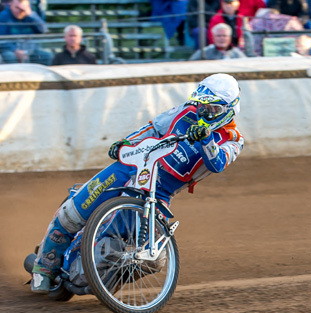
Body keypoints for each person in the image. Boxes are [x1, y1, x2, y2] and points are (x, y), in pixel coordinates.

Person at [30, 74, 244, 293]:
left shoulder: (233, 140)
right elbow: (153, 129)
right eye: (201, 106)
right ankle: (44, 266)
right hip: (133, 167)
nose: (204, 113)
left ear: (230, 110)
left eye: (212, 110)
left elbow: (217, 163)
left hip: (158, 193)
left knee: (155, 258)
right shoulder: (184, 111)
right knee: (73, 213)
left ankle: (109, 274)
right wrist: (127, 142)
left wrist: (207, 138)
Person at [0, 0, 53, 64]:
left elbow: (43, 30)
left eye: (22, 8)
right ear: (10, 5)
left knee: (47, 56)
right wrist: (15, 51)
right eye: (17, 8)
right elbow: (2, 40)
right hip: (11, 50)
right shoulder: (3, 16)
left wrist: (31, 15)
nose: (19, 11)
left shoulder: (31, 16)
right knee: (10, 57)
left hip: (31, 50)